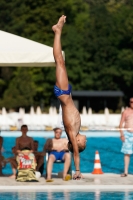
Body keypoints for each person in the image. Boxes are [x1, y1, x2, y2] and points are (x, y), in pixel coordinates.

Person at [52, 15, 86, 179]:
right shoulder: (75, 130)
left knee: (59, 61)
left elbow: (76, 154)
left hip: (63, 93)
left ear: (78, 144)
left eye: (84, 143)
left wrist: (77, 170)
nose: (86, 140)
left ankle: (57, 31)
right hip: (66, 94)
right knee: (60, 62)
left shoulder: (72, 133)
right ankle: (57, 31)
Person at [119, 97, 133, 177]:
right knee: (127, 153)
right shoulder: (125, 112)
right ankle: (126, 171)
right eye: (131, 102)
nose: (132, 103)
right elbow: (121, 124)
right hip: (127, 134)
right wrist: (122, 134)